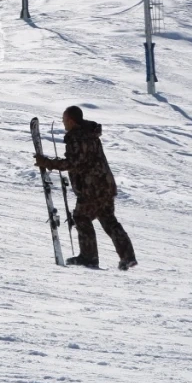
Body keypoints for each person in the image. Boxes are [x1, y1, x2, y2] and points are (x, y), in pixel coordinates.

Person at [35, 106, 137, 270]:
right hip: (105, 184)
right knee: (108, 220)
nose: (63, 123)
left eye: (64, 120)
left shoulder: (77, 137)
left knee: (81, 217)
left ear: (71, 120)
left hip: (92, 188)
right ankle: (128, 256)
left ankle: (89, 257)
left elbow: (74, 163)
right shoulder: (90, 133)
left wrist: (47, 163)